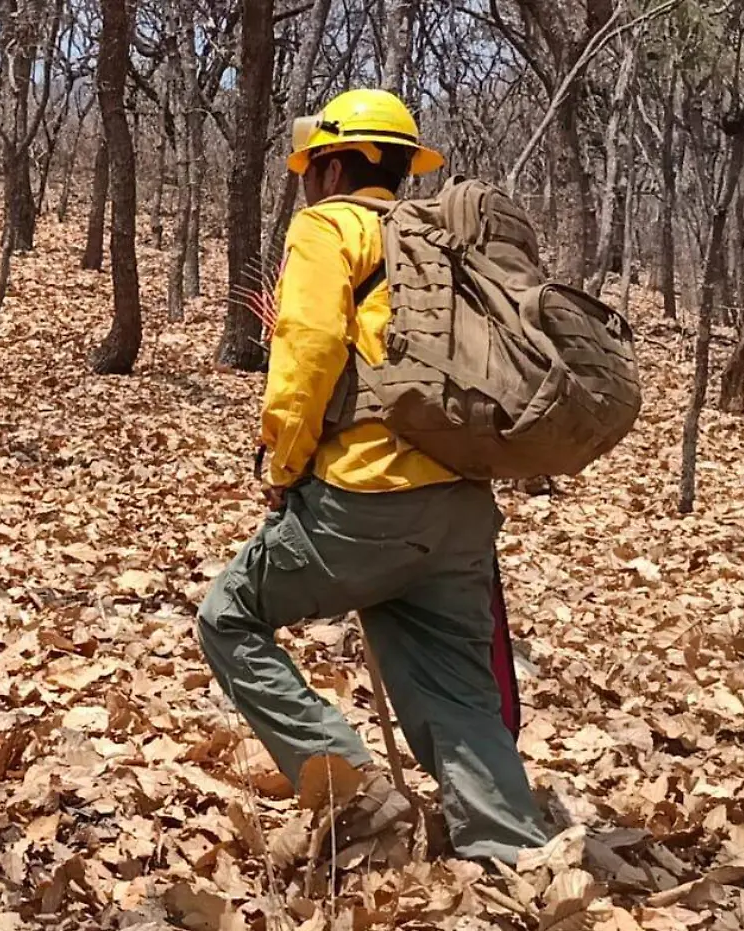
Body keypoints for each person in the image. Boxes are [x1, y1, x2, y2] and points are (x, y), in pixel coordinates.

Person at [194, 88, 549, 864]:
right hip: (460, 506)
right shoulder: (433, 240)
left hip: (364, 500)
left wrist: (282, 466)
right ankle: (514, 858)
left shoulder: (329, 228)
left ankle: (357, 793)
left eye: (313, 164)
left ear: (338, 163)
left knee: (228, 619)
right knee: (457, 693)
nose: (308, 181)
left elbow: (308, 353)